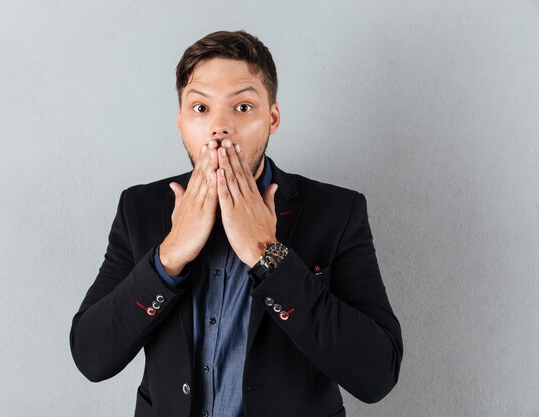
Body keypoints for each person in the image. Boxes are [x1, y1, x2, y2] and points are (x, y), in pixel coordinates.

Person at [70, 30, 403, 417]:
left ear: (272, 117)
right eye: (200, 109)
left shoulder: (336, 211)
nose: (220, 128)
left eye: (243, 107)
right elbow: (91, 357)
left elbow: (377, 374)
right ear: (180, 121)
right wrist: (170, 254)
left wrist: (269, 256)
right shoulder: (140, 209)